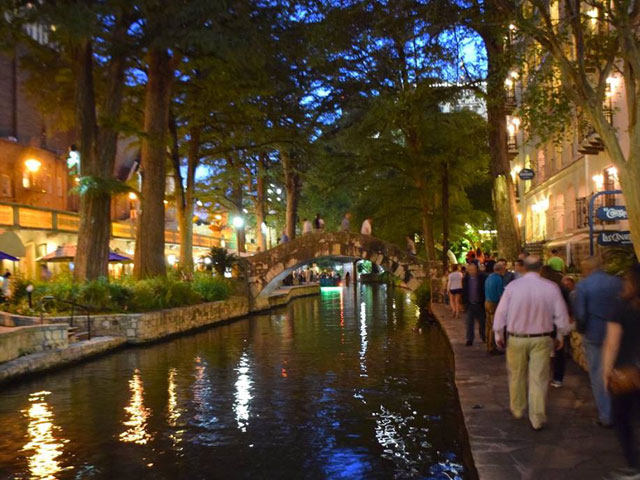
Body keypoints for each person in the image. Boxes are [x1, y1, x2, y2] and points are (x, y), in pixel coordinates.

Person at [493, 256, 570, 430]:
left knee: (516, 374)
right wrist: (561, 334)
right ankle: (536, 417)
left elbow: (501, 313)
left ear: (524, 268)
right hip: (542, 337)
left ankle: (518, 408)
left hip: (517, 337)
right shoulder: (551, 288)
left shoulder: (512, 288)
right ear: (540, 268)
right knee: (539, 378)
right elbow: (561, 314)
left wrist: (498, 333)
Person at [575, 256, 621, 427]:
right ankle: (620, 411)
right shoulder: (616, 282)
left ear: (586, 269)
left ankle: (606, 415)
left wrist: (581, 329)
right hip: (616, 332)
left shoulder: (583, 285)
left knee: (597, 374)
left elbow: (581, 313)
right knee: (616, 371)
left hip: (594, 333)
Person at [603, 264, 640, 470]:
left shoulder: (621, 308)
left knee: (623, 421)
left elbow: (612, 343)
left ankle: (634, 464)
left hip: (627, 373)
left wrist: (606, 372)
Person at [462, 262, 487, 346]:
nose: (472, 271)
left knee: (482, 322)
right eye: (470, 270)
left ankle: (484, 337)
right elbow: (464, 291)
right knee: (469, 323)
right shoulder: (465, 279)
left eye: (473, 270)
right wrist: (464, 303)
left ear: (477, 270)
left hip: (480, 303)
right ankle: (469, 339)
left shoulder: (482, 278)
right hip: (470, 304)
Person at [485, 262, 506, 353]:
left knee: (488, 325)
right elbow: (501, 294)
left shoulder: (489, 278)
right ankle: (492, 346)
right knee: (494, 325)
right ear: (501, 269)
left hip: (487, 302)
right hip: (494, 303)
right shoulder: (498, 279)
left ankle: (488, 344)